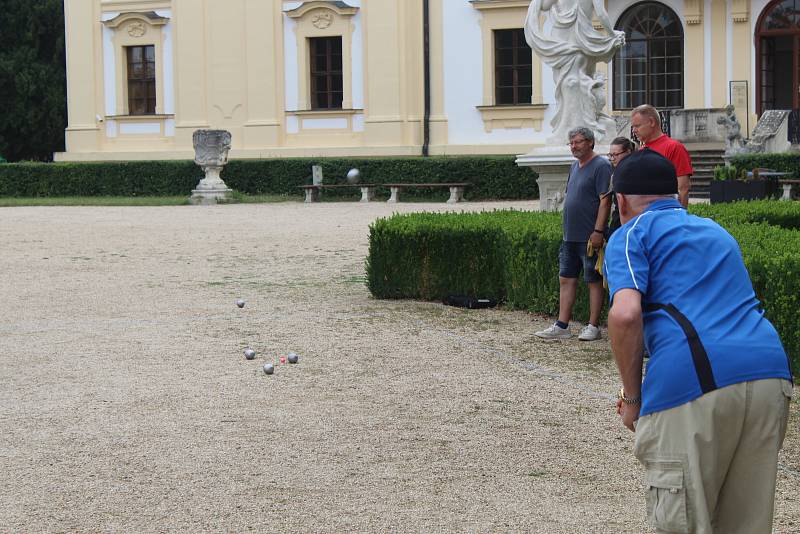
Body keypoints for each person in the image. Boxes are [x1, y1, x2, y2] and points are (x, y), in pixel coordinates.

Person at [604, 148, 793, 533]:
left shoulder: (630, 235)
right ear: (674, 194)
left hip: (695, 380)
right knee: (747, 524)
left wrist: (632, 397)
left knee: (683, 521)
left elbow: (625, 315)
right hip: (769, 372)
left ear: (620, 201)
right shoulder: (717, 231)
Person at [535, 127, 611, 341]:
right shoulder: (574, 166)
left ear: (590, 142)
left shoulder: (602, 166)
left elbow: (605, 200)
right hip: (570, 235)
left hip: (590, 236)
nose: (573, 146)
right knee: (566, 279)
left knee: (593, 280)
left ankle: (593, 326)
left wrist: (598, 231)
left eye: (577, 142)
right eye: (571, 143)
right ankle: (562, 325)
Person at [524, 0, 625, 143]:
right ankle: (576, 128)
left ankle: (576, 129)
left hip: (564, 38)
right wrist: (611, 33)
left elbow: (544, 5)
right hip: (581, 40)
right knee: (576, 82)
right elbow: (601, 14)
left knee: (571, 83)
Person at [630, 104, 693, 207]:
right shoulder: (640, 151)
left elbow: (683, 188)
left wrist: (678, 217)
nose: (634, 130)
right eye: (633, 127)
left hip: (666, 213)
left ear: (652, 122)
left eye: (637, 126)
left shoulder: (674, 147)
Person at [590, 136, 634, 252]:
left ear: (628, 152)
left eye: (616, 155)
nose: (612, 158)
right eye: (610, 155)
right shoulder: (615, 171)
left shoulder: (635, 172)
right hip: (617, 224)